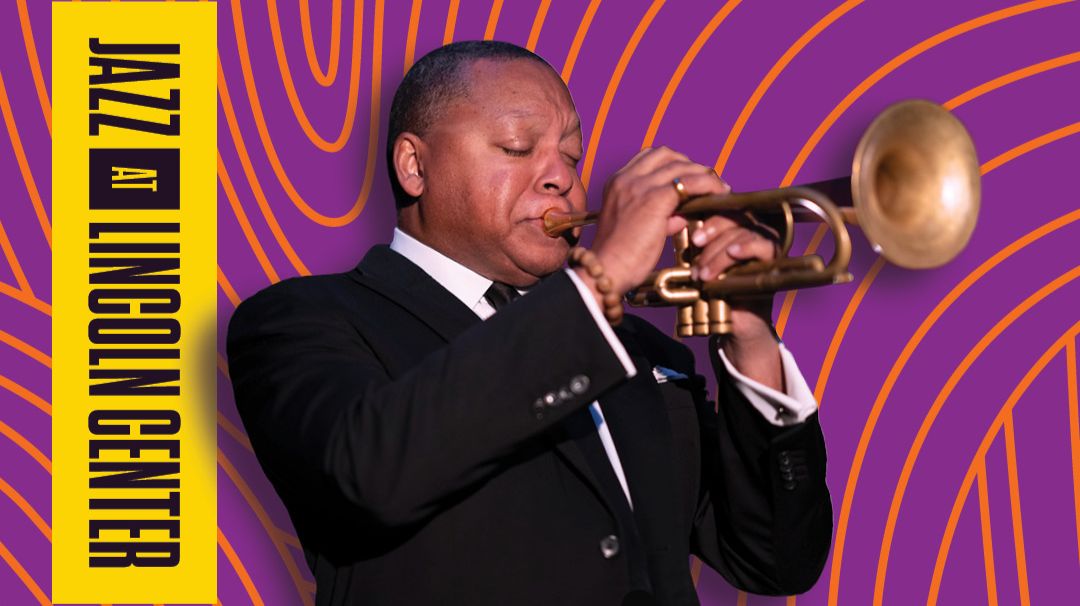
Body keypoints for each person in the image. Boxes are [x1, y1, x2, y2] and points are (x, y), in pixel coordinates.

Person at [226, 41, 831, 606]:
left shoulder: (634, 345)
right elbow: (368, 474)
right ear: (413, 165)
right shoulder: (301, 320)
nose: (562, 177)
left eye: (571, 155)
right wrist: (599, 280)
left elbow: (775, 561)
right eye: (518, 147)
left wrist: (750, 340)